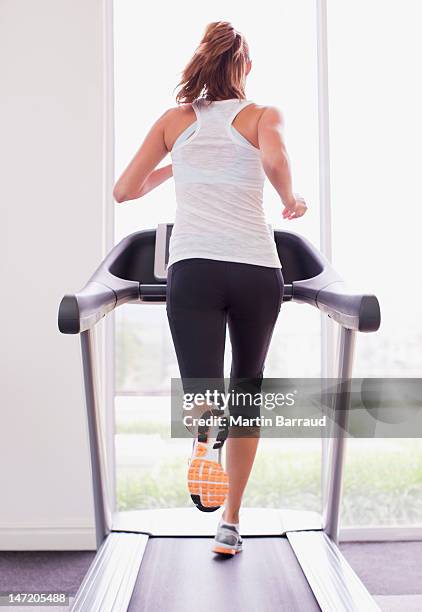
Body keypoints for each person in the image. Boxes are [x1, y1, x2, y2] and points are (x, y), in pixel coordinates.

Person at [113, 21, 307, 556]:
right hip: (255, 267)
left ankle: (202, 439)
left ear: (202, 63)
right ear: (242, 66)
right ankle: (231, 522)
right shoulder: (263, 114)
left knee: (203, 385)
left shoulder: (176, 121)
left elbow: (124, 190)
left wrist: (181, 163)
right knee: (248, 392)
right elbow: (274, 158)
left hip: (194, 266)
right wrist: (290, 197)